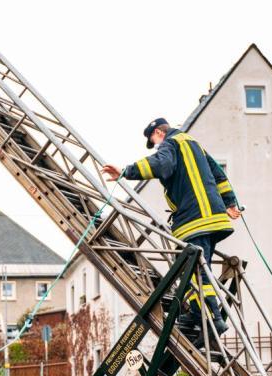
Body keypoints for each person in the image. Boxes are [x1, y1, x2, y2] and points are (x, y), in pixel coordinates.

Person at [102, 118, 241, 335]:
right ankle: (195, 314)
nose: (156, 146)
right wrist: (230, 203)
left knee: (196, 272)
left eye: (154, 141)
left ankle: (212, 319)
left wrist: (126, 172)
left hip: (194, 220)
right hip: (214, 219)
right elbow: (219, 176)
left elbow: (161, 165)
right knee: (191, 269)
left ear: (159, 132)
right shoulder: (194, 144)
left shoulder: (170, 143)